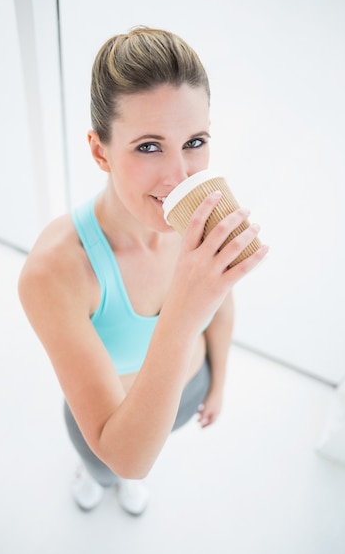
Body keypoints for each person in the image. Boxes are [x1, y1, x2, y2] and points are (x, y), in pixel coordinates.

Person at [18, 26, 268, 516]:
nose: (180, 176)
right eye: (149, 146)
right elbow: (127, 452)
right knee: (111, 469)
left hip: (189, 386)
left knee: (155, 444)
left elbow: (221, 304)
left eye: (194, 141)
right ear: (99, 151)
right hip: (114, 422)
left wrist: (218, 381)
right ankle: (93, 477)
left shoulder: (198, 214)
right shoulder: (54, 273)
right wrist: (182, 308)